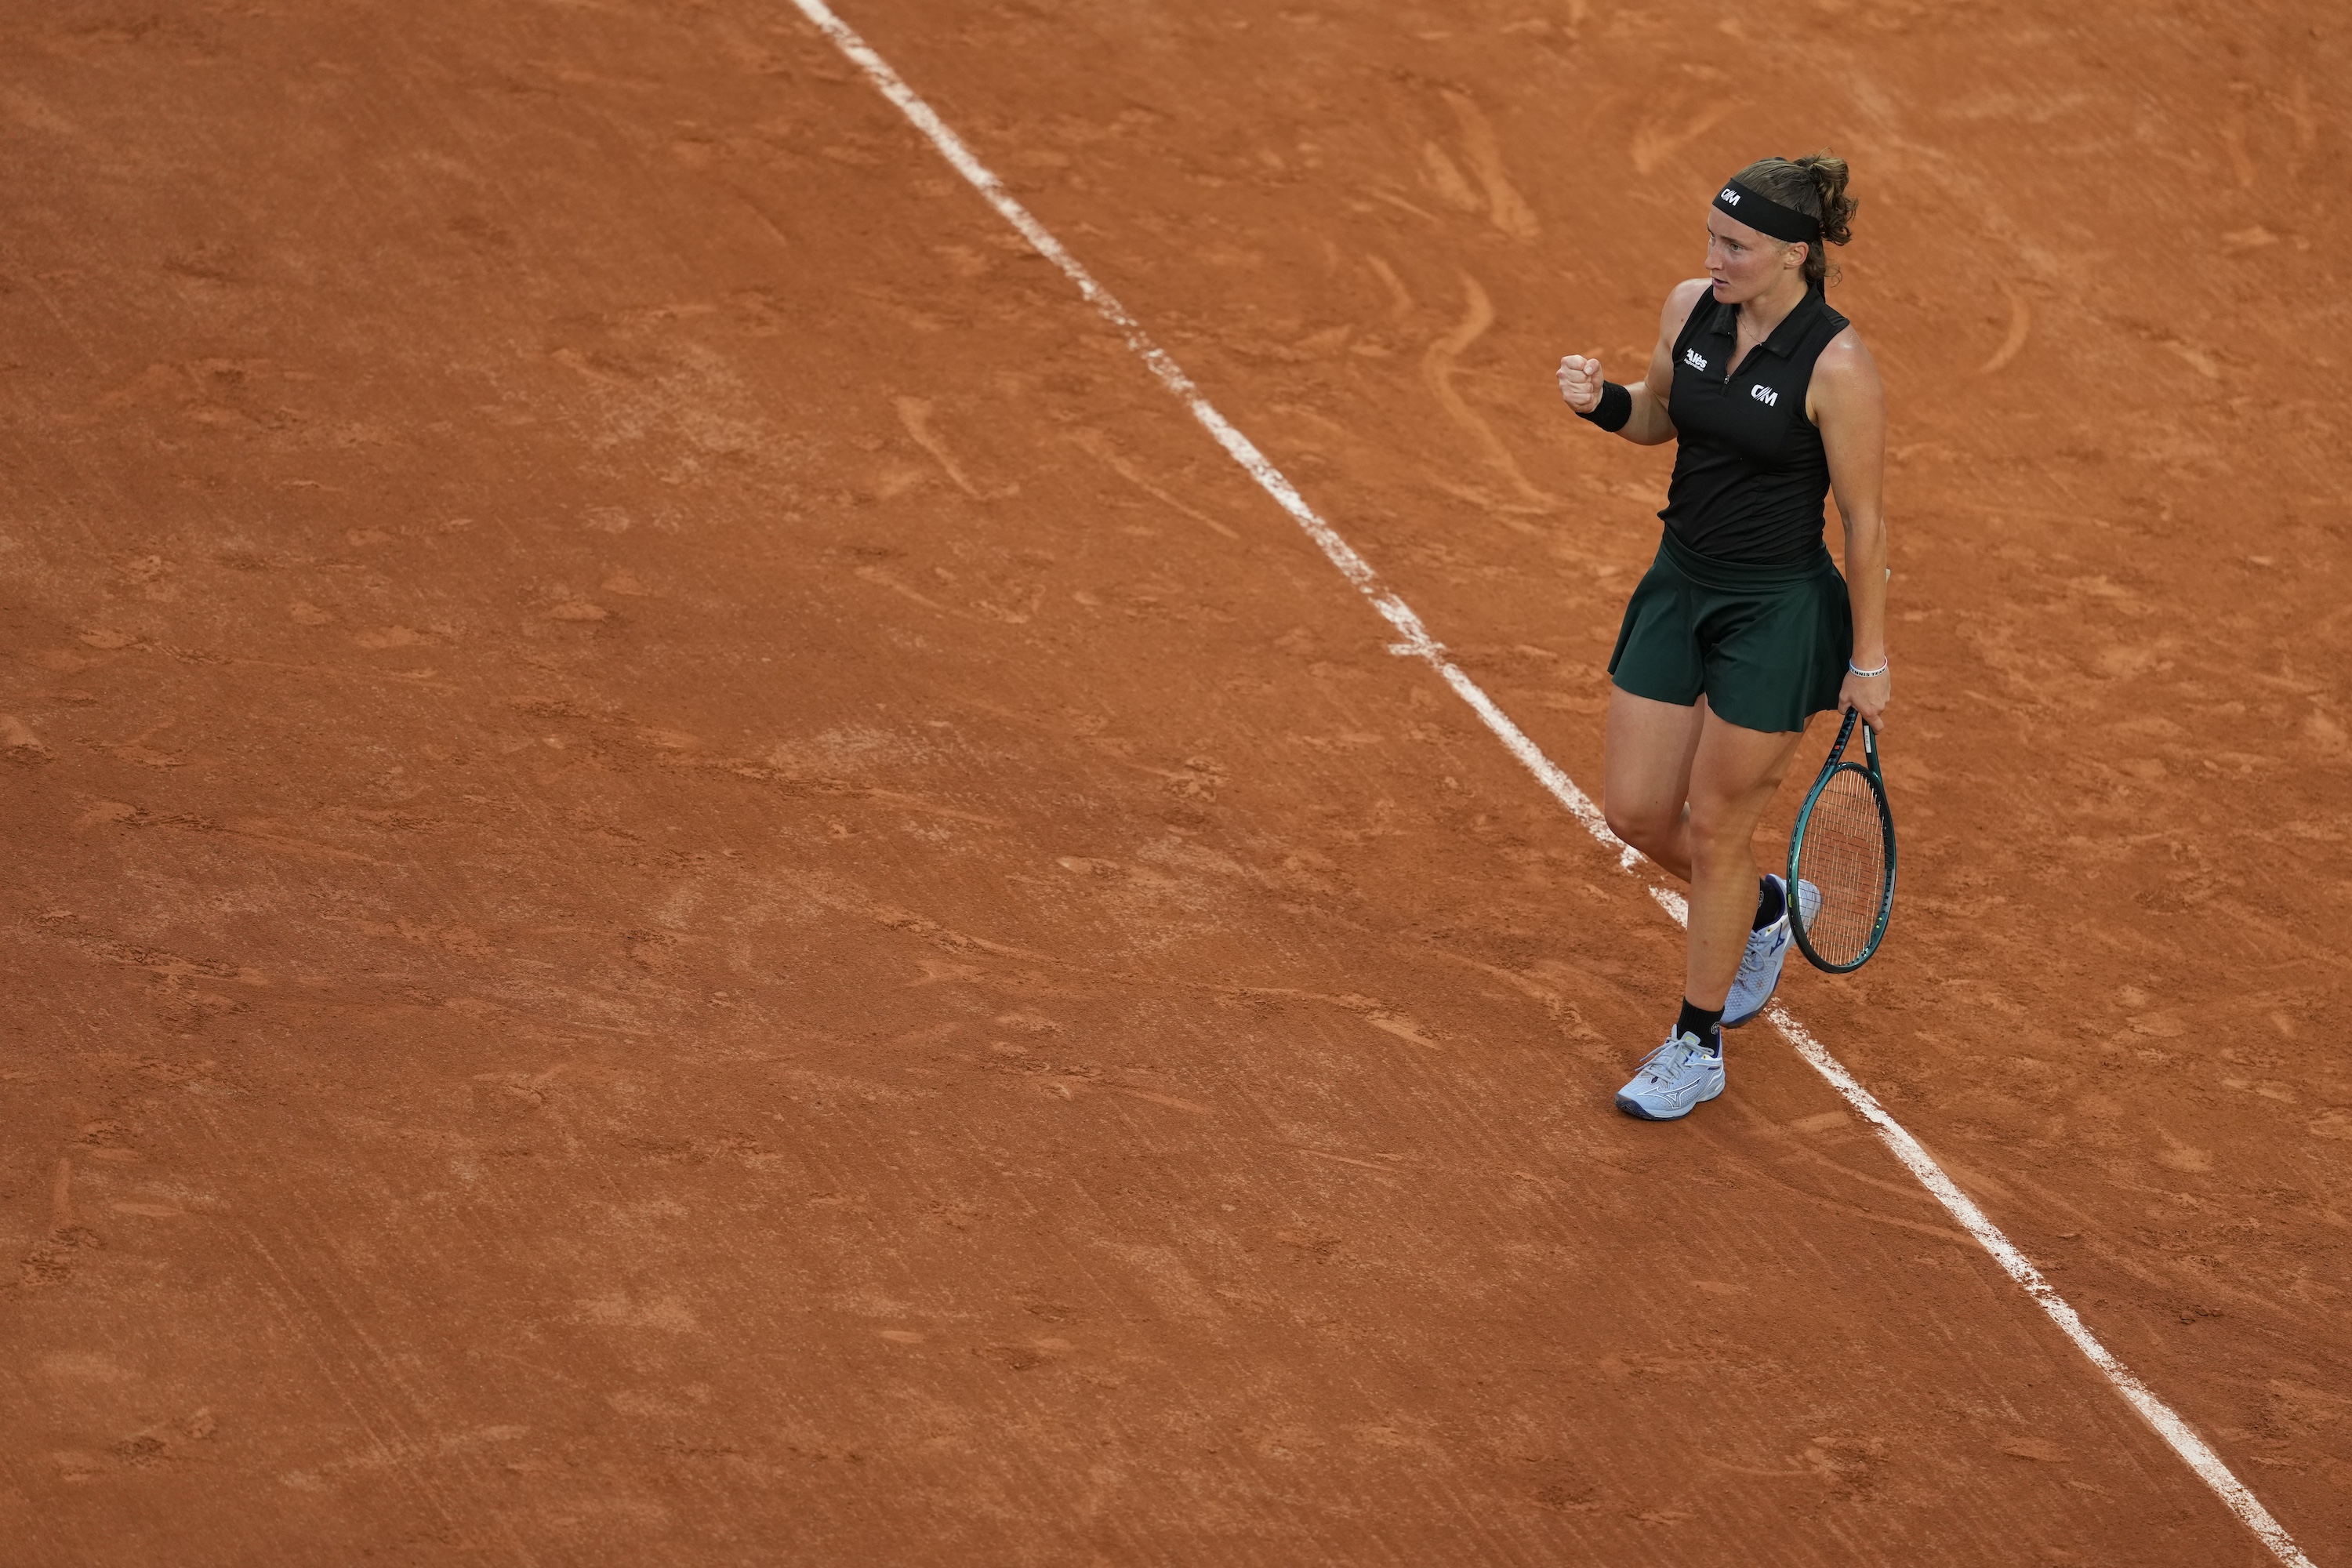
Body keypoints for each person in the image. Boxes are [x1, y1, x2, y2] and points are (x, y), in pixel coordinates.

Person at [1555, 153, 1889, 1121]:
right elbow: (1661, 415)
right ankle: (1766, 908)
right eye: (1711, 236)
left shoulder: (1836, 365)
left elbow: (1865, 522)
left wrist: (1868, 659)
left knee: (1716, 828)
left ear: (1794, 254)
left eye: (1736, 245)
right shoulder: (1689, 309)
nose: (1714, 257)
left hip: (1775, 613)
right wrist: (1602, 401)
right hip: (1680, 584)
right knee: (1634, 812)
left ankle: (1696, 1045)